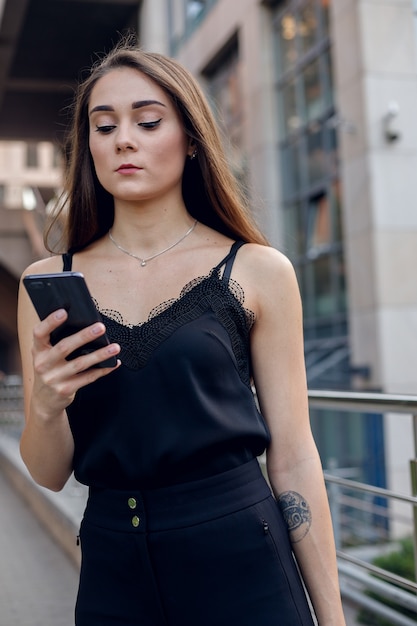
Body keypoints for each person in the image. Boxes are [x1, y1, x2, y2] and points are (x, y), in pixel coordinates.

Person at [18, 40, 346, 625]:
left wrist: (334, 617)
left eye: (147, 122)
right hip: (113, 566)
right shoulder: (47, 283)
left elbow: (294, 457)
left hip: (243, 558)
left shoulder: (257, 271)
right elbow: (48, 472)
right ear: (88, 144)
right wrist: (45, 406)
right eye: (104, 125)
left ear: (191, 139)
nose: (123, 139)